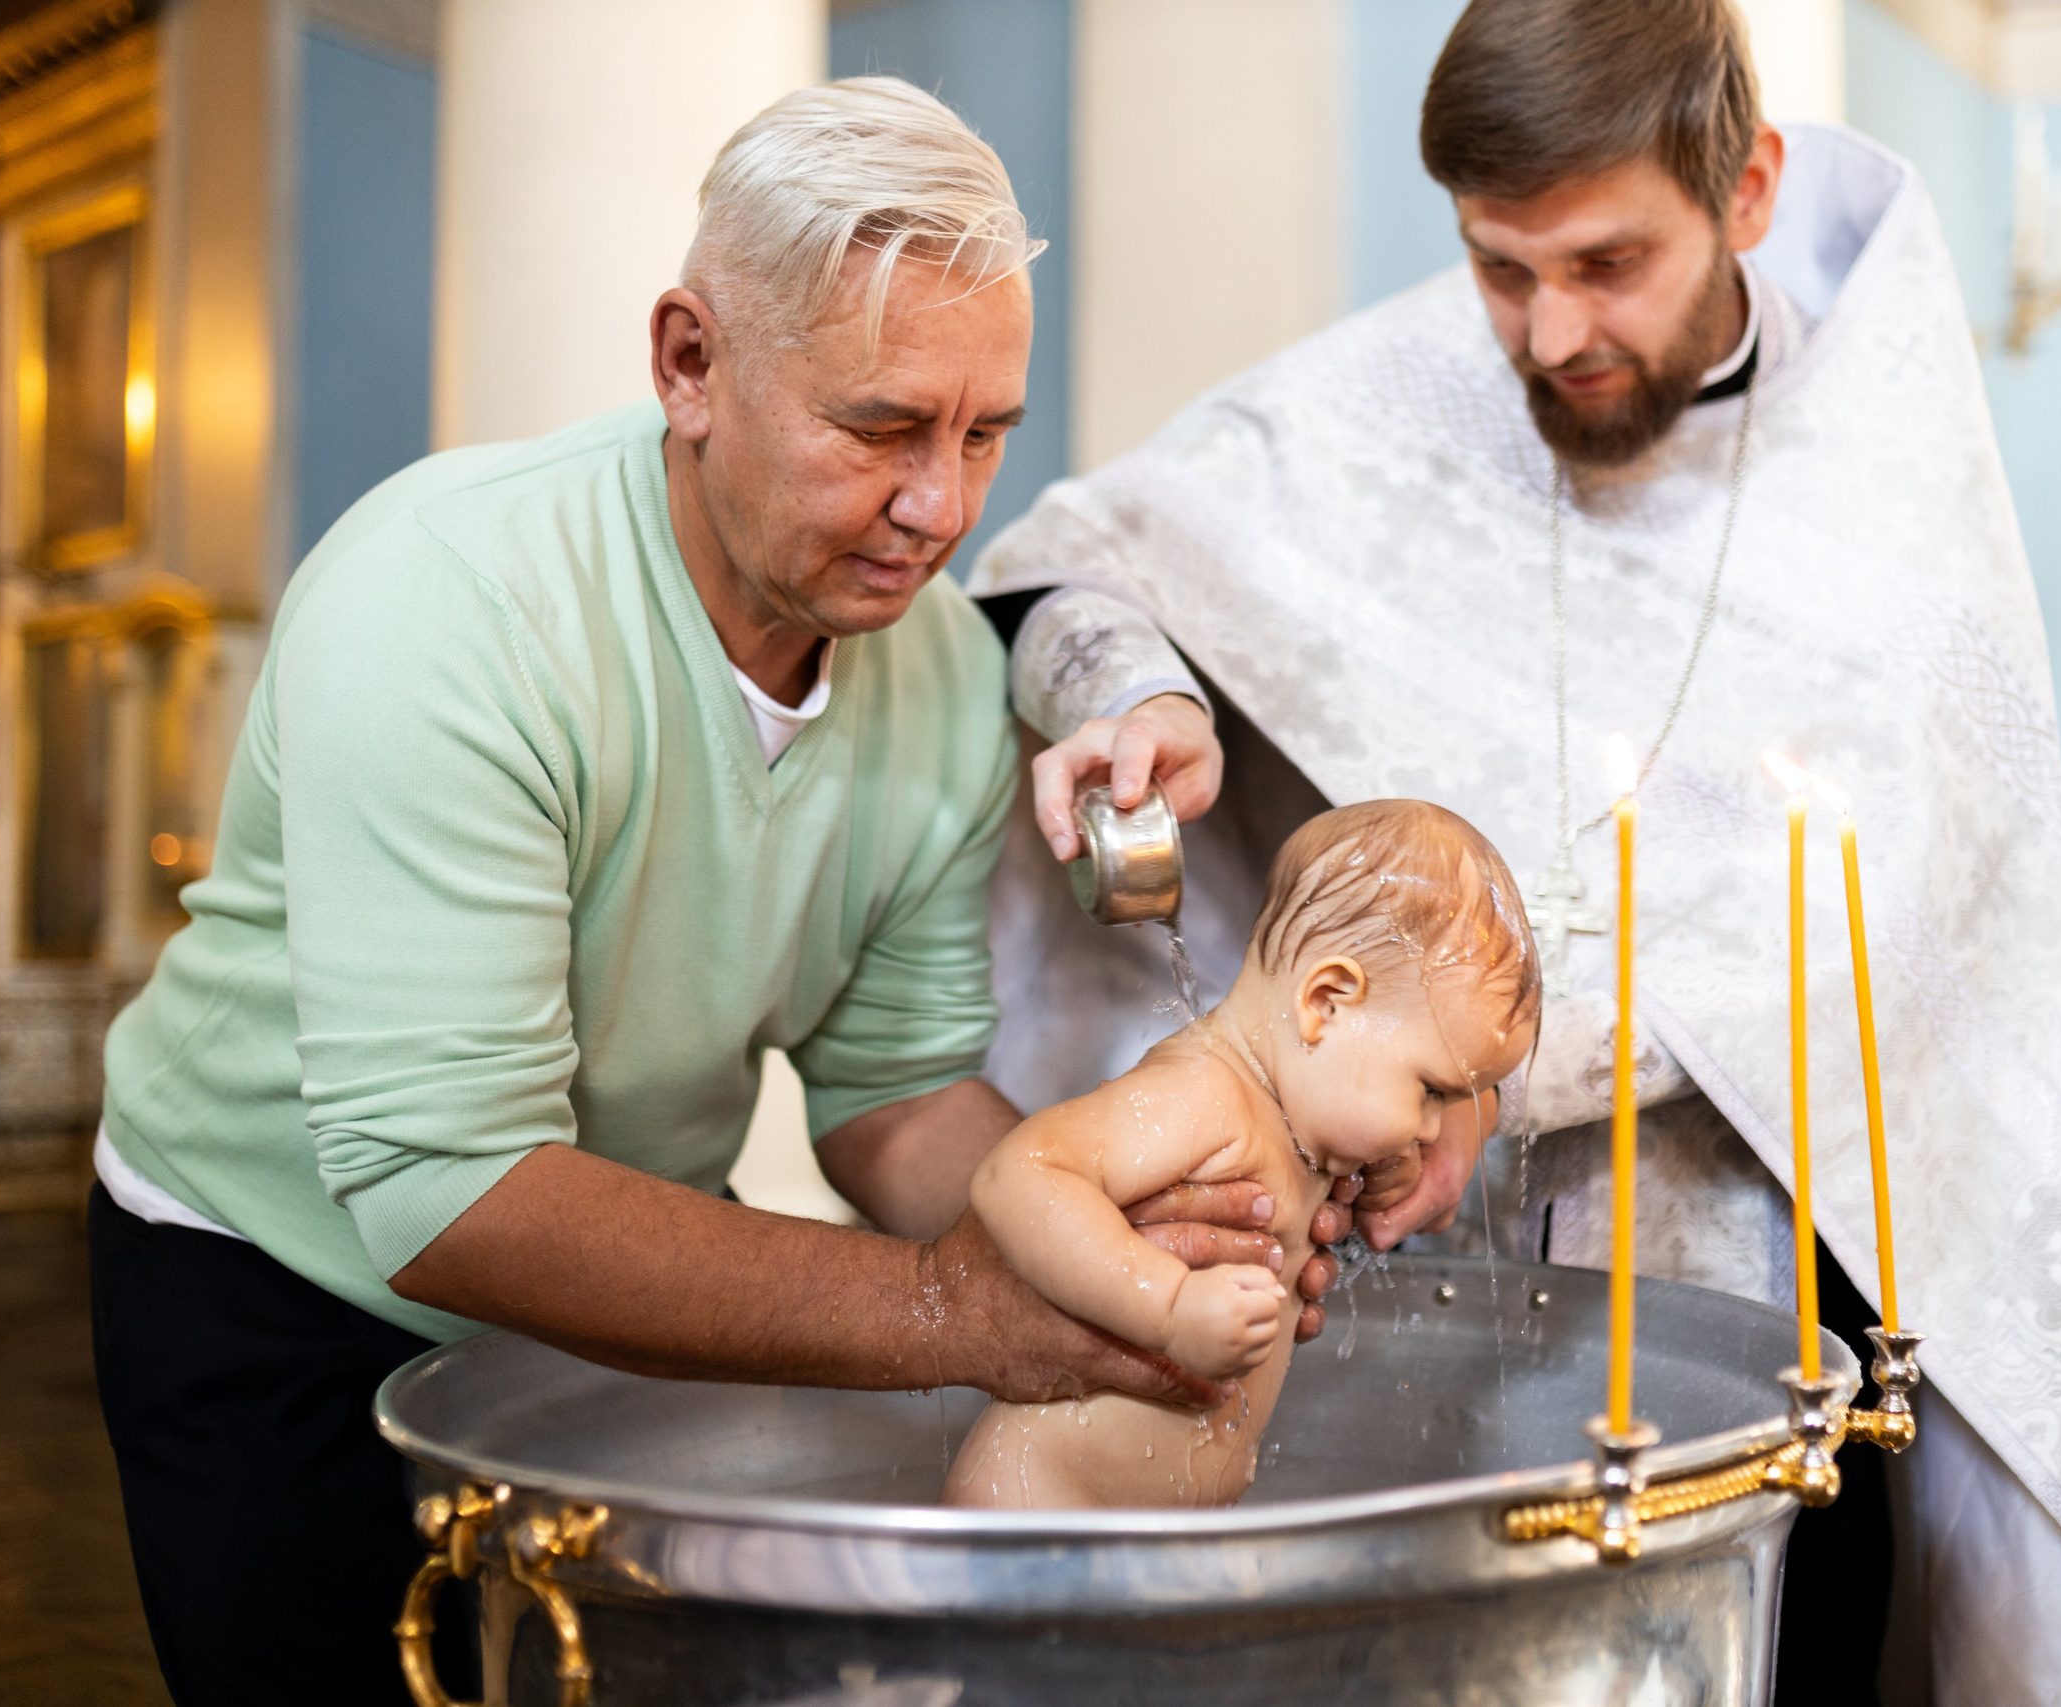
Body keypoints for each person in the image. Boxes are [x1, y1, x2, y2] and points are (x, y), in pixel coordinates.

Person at [85, 79, 1334, 1707]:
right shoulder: (450, 604)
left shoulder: (946, 674)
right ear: (690, 362)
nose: (943, 511)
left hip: (596, 1252)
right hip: (273, 1272)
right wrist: (956, 1306)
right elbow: (445, 1189)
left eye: (984, 434)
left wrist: (1106, 1234)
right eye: (882, 427)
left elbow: (887, 1088)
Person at [970, 1, 2061, 1702]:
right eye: (1500, 267)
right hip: (1401, 1299)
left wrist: (1482, 1082)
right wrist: (1143, 690)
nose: (1549, 329)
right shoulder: (1410, 382)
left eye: (1607, 262)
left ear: (1745, 190)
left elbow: (1885, 906)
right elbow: (1067, 568)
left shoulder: (1882, 481)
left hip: (1758, 1290)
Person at [946, 801, 1540, 1509]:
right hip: (1038, 1510)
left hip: (1146, 1540)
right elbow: (1016, 1174)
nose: (1434, 1127)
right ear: (1326, 1000)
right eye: (1432, 1091)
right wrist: (1169, 1306)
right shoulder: (1203, 1093)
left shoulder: (1302, 1118)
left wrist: (1387, 1173)